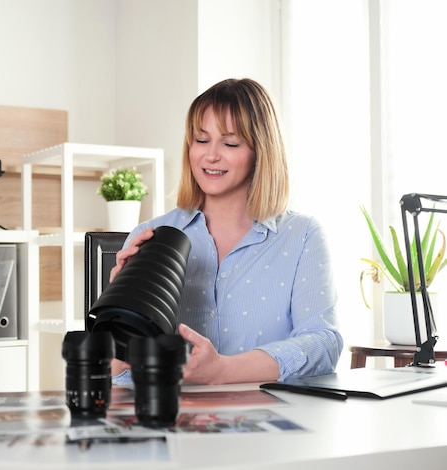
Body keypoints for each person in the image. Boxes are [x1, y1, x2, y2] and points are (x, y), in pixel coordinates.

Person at [110, 78, 343, 385]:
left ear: (261, 151)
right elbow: (115, 377)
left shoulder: (302, 236)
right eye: (201, 140)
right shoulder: (151, 234)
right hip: (170, 417)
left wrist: (223, 370)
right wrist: (123, 313)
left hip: (265, 421)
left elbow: (323, 343)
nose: (211, 156)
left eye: (230, 143)